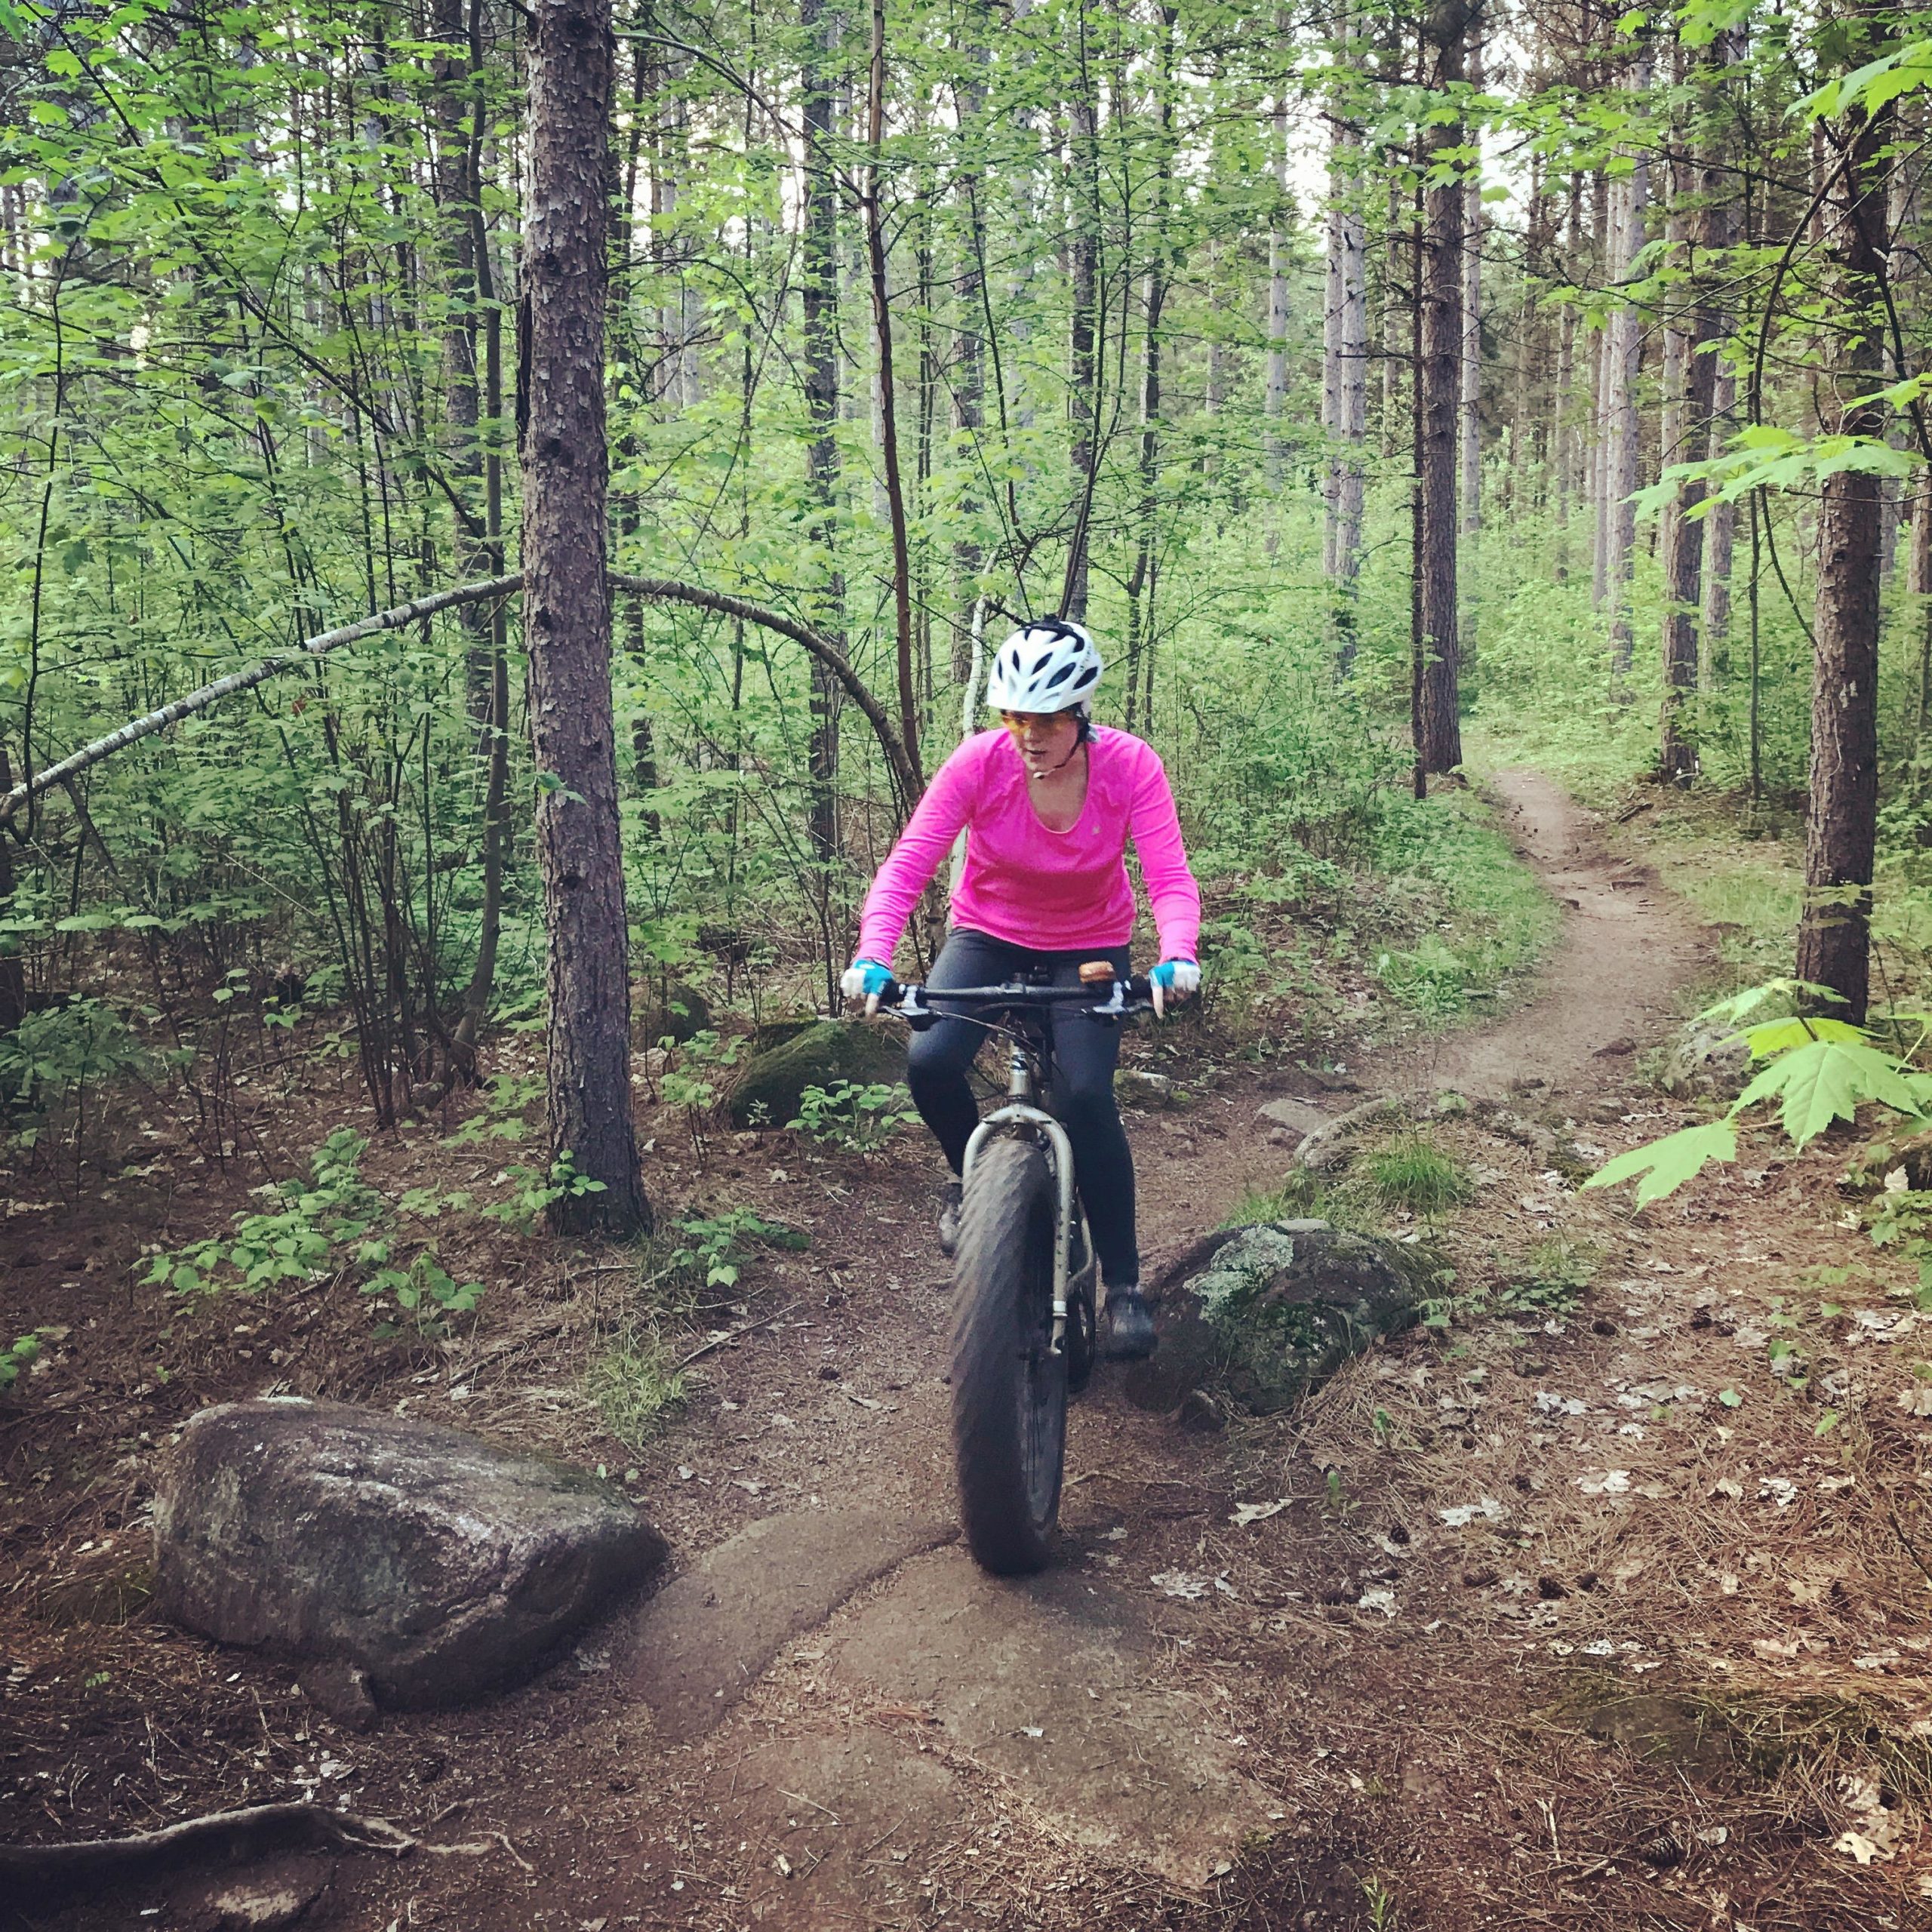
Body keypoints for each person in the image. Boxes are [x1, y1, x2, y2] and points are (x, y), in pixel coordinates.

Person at [840, 617, 1201, 1360]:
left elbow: (1168, 877)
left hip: (1089, 944)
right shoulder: (979, 764)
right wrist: (873, 957)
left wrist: (1177, 956)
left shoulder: (1131, 767)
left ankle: (1124, 1285)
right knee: (932, 1059)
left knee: (1087, 1097)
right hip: (988, 932)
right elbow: (907, 865)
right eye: (1013, 716)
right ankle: (971, 1185)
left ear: (1079, 714)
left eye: (1043, 718)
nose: (1027, 734)